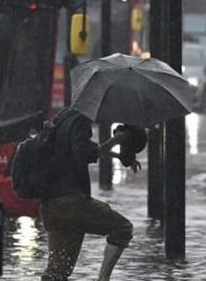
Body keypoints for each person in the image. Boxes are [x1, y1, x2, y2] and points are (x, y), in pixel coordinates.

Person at [39, 107, 138, 281]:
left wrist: (118, 154)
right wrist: (116, 140)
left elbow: (81, 150)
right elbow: (83, 154)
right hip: (72, 203)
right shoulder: (80, 120)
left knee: (57, 272)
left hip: (51, 204)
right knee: (122, 228)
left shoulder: (63, 118)